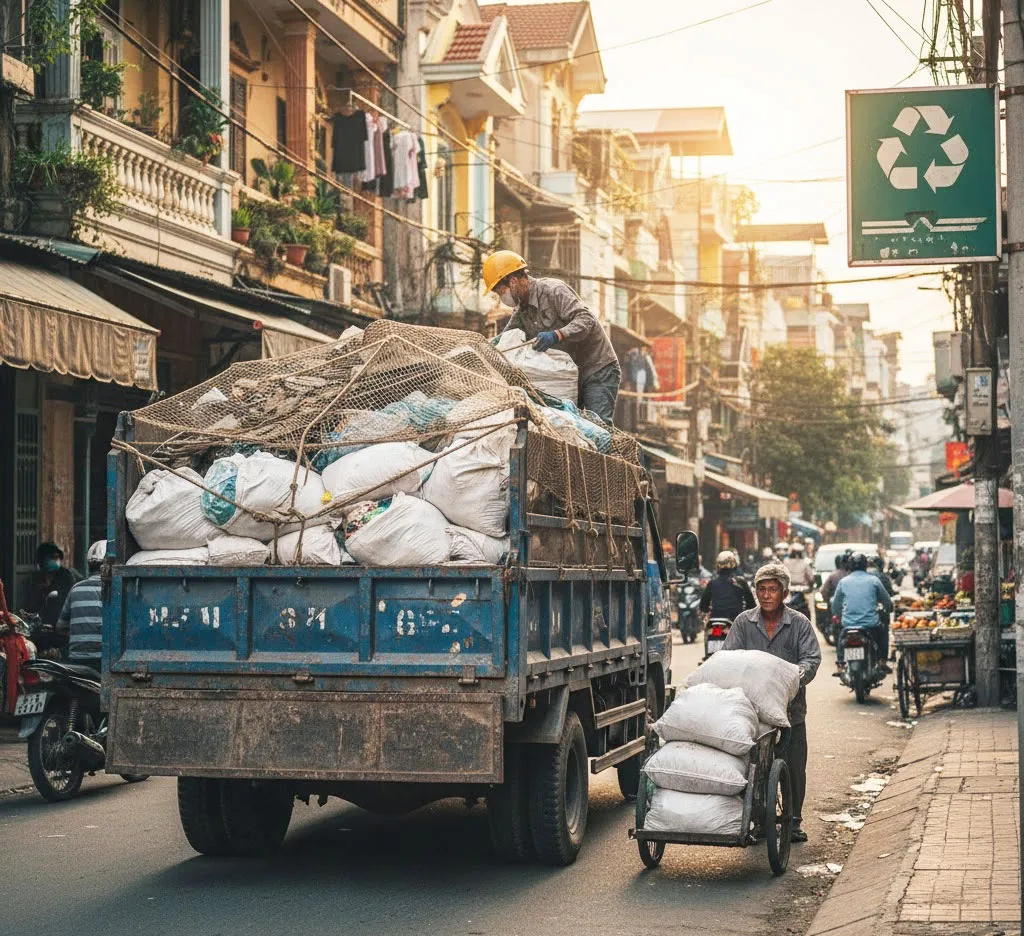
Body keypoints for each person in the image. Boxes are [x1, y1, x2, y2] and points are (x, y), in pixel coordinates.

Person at [721, 561, 822, 843]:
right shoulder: (743, 622)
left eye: (772, 590)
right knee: (754, 765)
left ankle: (794, 820)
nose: (766, 595)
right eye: (761, 589)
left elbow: (811, 659)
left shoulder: (799, 623)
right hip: (752, 712)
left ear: (784, 593)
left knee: (794, 765)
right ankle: (758, 819)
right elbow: (729, 656)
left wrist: (795, 676)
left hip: (792, 710)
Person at [482, 250, 622, 424]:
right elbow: (505, 340)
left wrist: (558, 334)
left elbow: (586, 320)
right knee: (570, 426)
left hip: (597, 368)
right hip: (569, 374)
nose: (501, 297)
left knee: (598, 426)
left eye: (500, 291)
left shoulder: (554, 290)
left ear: (513, 281)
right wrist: (484, 349)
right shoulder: (521, 312)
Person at [831, 552, 894, 674]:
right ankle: (882, 662)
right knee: (883, 632)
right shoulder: (874, 580)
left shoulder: (843, 582)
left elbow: (835, 605)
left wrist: (837, 616)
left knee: (841, 637)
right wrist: (889, 608)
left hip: (848, 624)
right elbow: (887, 601)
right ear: (866, 565)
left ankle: (840, 665)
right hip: (871, 624)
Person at [56, 541, 106, 673]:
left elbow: (61, 627)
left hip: (77, 660)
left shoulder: (75, 589)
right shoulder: (115, 590)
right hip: (105, 660)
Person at [25, 542, 81, 628]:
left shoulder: (66, 576)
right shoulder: (35, 579)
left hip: (61, 624)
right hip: (40, 625)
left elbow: (68, 600)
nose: (55, 561)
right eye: (52, 558)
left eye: (57, 558)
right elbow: (31, 604)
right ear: (42, 560)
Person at [699, 550, 756, 622]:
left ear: (718, 565)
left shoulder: (712, 583)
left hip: (716, 623)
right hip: (735, 622)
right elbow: (751, 604)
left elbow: (703, 605)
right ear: (734, 564)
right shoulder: (741, 582)